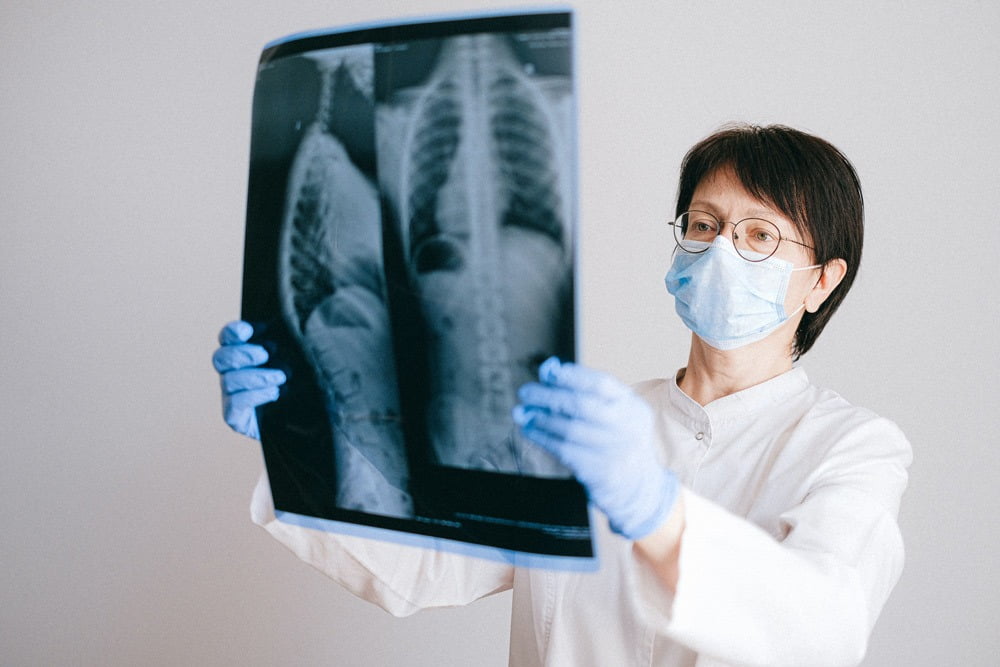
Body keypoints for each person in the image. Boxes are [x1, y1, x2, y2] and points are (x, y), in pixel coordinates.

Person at [212, 124, 911, 666]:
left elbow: (823, 626)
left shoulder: (853, 448)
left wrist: (654, 508)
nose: (721, 248)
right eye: (704, 224)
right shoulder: (584, 425)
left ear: (823, 280)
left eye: (759, 234)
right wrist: (296, 432)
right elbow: (421, 565)